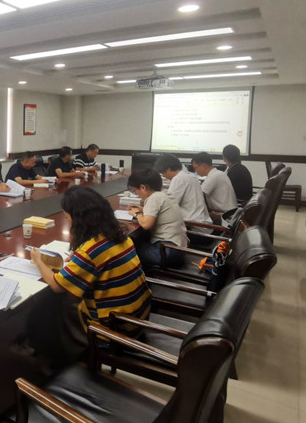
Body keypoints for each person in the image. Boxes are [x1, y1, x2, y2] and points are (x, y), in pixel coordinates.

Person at [26, 186, 152, 367]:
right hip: (137, 317)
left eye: (67, 217)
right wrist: (80, 259)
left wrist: (39, 260)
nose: (67, 221)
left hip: (115, 331)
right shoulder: (120, 235)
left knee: (53, 306)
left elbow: (56, 285)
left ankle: (53, 362)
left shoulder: (91, 250)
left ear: (78, 219)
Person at [127, 169, 188, 271]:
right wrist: (142, 209)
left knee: (127, 250)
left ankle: (137, 278)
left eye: (135, 191)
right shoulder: (165, 194)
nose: (137, 194)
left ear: (143, 188)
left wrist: (136, 213)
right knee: (139, 241)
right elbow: (159, 210)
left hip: (167, 251)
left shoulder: (154, 198)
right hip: (178, 248)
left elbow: (146, 224)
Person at [153, 153, 211, 224]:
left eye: (163, 173)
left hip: (192, 224)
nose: (164, 176)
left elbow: (169, 205)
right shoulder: (191, 176)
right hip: (200, 220)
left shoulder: (178, 179)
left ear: (168, 169)